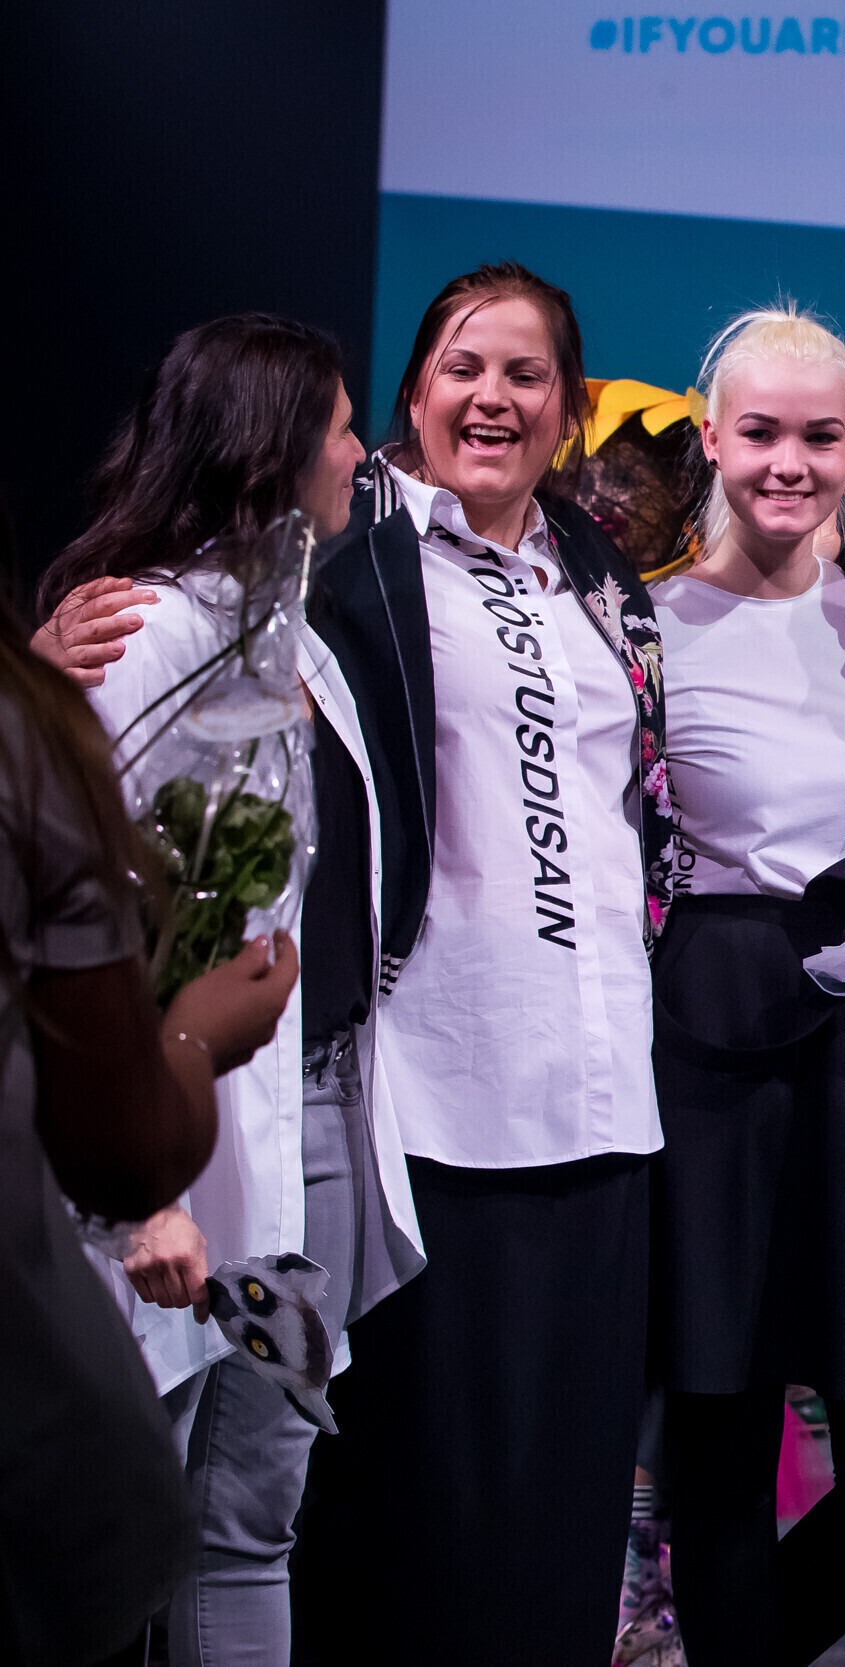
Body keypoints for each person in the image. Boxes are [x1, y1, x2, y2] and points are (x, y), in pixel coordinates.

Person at [244, 261, 678, 1666]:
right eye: (465, 367)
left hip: (601, 1096)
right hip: (424, 1090)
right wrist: (79, 621)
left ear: (569, 406)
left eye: (526, 374)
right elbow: (188, 612)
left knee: (568, 1500)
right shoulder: (345, 551)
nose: (494, 397)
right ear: (416, 391)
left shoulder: (601, 573)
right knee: (415, 1497)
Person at [30, 311, 426, 1667]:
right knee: (115, 1524)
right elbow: (77, 921)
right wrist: (140, 1188)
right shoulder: (138, 635)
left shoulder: (298, 638)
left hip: (303, 1132)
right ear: (273, 452)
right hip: (168, 1146)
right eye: (342, 430)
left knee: (253, 1518)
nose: (362, 453)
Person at [640, 305, 845, 1665]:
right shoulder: (644, 621)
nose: (789, 462)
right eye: (760, 432)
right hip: (706, 1037)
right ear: (711, 437)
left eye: (819, 436)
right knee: (720, 1429)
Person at [2, 611, 297, 1667]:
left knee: (252, 1524)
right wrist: (193, 1045)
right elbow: (115, 1135)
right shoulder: (87, 679)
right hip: (59, 1284)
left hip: (279, 1170)